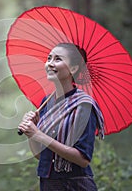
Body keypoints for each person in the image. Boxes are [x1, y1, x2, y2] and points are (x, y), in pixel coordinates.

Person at [18, 43, 104, 191]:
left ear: (74, 68)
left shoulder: (83, 106)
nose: (50, 64)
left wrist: (39, 134)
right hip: (49, 183)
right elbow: (40, 155)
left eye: (58, 59)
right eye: (49, 58)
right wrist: (31, 134)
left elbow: (83, 159)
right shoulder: (46, 103)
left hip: (74, 184)